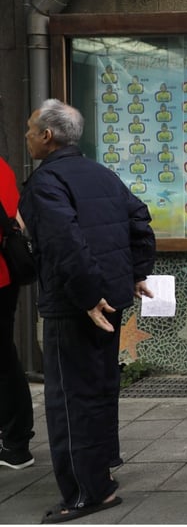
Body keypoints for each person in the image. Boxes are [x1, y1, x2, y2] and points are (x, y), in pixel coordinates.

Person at [20, 99, 155, 523]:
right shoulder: (102, 174)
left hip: (76, 305)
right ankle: (102, 468)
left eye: (29, 130)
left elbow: (64, 244)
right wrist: (135, 273)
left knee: (70, 400)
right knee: (98, 388)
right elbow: (140, 221)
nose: (26, 137)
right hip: (108, 298)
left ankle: (87, 492)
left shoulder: (46, 183)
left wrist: (86, 297)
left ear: (47, 136)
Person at [0, 156, 33, 472]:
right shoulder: (2, 167)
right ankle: (14, 440)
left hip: (1, 276)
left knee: (3, 360)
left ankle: (15, 440)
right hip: (4, 278)